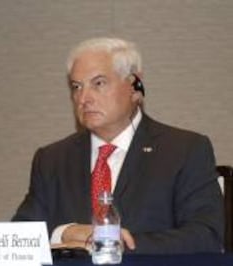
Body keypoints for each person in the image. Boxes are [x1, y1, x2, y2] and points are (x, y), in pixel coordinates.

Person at [13, 37, 224, 254]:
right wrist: (65, 233)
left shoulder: (184, 150)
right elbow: (19, 238)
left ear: (134, 87)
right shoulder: (52, 159)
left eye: (99, 83)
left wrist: (117, 245)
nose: (83, 98)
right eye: (77, 86)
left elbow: (207, 236)